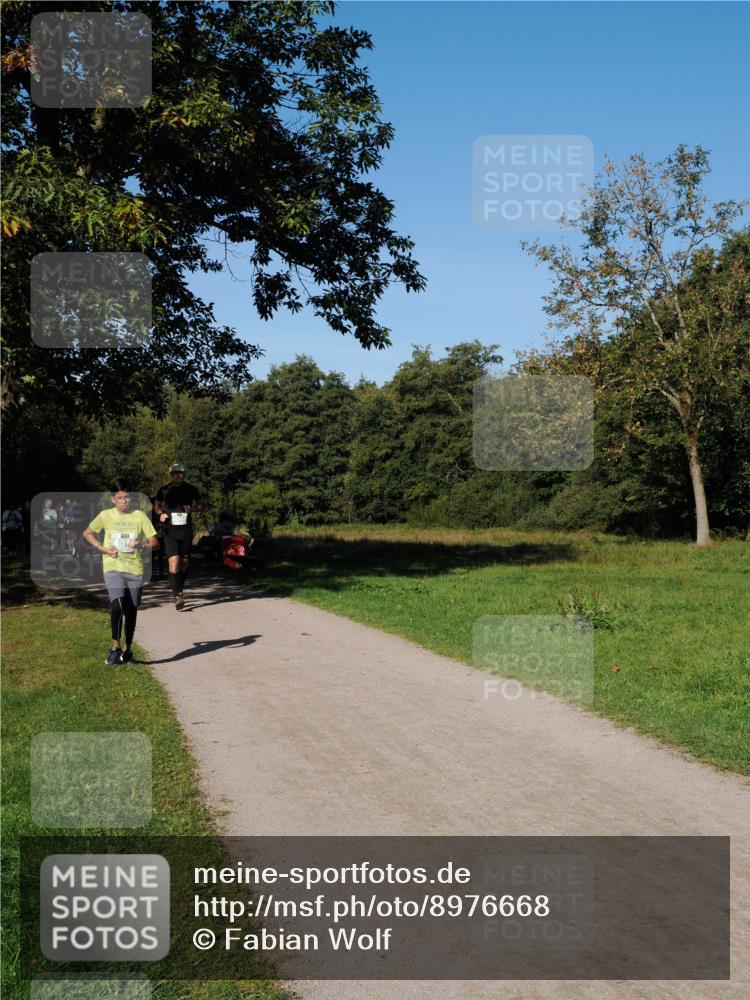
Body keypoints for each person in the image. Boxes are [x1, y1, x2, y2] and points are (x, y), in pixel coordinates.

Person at [83, 480, 158, 665]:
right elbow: (87, 533)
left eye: (126, 497)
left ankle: (128, 649)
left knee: (131, 610)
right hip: (113, 566)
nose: (124, 501)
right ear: (113, 499)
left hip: (134, 569)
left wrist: (140, 545)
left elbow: (155, 543)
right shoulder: (105, 515)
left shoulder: (140, 516)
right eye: (119, 498)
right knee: (117, 606)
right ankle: (115, 648)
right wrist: (102, 548)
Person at [155, 463, 203, 610]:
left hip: (186, 531)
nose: (178, 476)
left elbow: (202, 506)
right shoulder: (164, 490)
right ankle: (178, 595)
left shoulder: (191, 489)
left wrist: (193, 508)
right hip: (170, 531)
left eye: (180, 473)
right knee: (174, 562)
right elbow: (156, 506)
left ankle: (179, 589)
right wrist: (160, 514)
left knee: (184, 564)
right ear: (171, 475)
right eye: (175, 473)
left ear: (184, 474)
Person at [149, 496, 165, 578]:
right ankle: (150, 574)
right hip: (153, 537)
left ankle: (161, 573)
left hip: (162, 536)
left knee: (161, 556)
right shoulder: (149, 513)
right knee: (151, 556)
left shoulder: (164, 513)